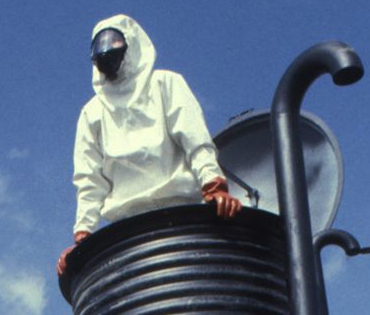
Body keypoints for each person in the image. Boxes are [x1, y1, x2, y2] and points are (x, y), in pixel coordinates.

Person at [57, 14, 240, 277]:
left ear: (131, 46)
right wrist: (83, 238)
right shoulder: (92, 113)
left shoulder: (165, 84)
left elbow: (195, 140)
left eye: (114, 44)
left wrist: (214, 186)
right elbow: (89, 180)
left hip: (183, 215)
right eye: (101, 49)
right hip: (128, 234)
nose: (108, 54)